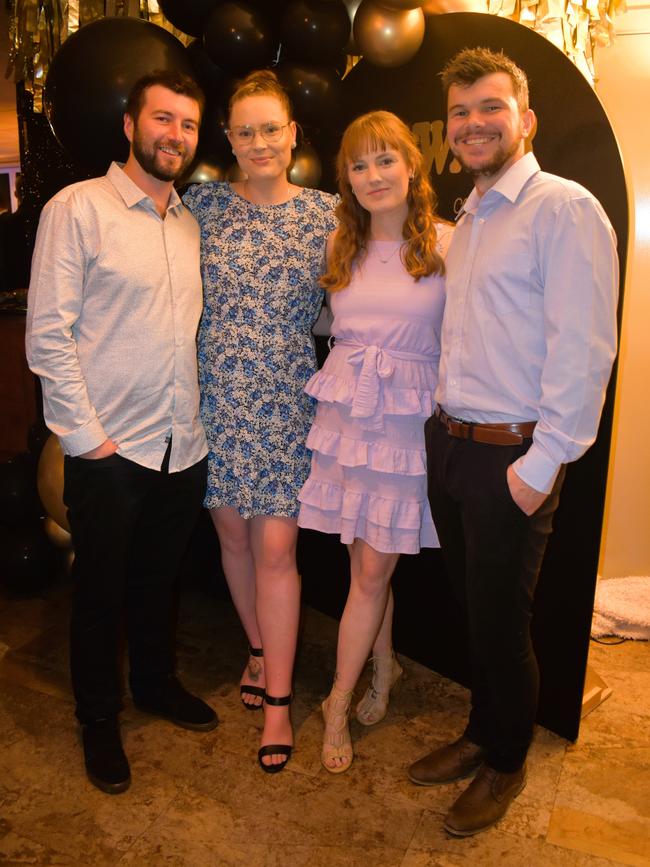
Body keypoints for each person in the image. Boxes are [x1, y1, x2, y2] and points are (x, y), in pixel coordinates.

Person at [408, 47, 619, 836]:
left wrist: (542, 464)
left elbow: (587, 346)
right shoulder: (473, 213)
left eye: (489, 108)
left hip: (513, 455)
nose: (471, 123)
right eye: (460, 112)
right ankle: (480, 729)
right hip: (456, 446)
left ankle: (505, 759)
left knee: (502, 621)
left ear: (525, 119)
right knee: (475, 608)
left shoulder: (562, 208)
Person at [26, 70, 216, 796]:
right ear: (131, 125)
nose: (176, 135)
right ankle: (98, 717)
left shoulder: (188, 221)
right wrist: (88, 443)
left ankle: (157, 684)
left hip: (181, 443)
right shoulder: (79, 208)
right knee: (99, 594)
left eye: (189, 125)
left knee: (158, 582)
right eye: (163, 119)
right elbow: (49, 337)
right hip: (110, 450)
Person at [183, 70, 337, 774]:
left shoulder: (328, 213)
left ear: (294, 132)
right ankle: (256, 646)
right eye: (244, 131)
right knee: (234, 540)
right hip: (212, 400)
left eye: (270, 128)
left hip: (284, 405)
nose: (258, 143)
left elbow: (380, 269)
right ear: (228, 138)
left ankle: (278, 702)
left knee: (276, 550)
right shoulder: (201, 205)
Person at [297, 110, 451, 773]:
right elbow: (330, 326)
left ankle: (336, 700)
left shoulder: (449, 243)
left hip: (408, 426)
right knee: (367, 562)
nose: (372, 175)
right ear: (347, 180)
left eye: (385, 159)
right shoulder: (340, 247)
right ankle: (382, 670)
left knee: (370, 568)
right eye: (358, 165)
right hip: (349, 421)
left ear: (413, 165)